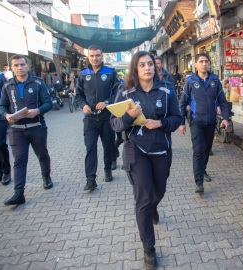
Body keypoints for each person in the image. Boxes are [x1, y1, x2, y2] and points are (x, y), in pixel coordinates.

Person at [110, 51, 182, 269]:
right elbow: (115, 125)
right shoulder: (125, 92)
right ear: (135, 68)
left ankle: (153, 207)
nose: (147, 68)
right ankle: (149, 248)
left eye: (150, 64)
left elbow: (178, 118)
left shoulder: (167, 90)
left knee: (158, 192)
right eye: (142, 65)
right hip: (136, 150)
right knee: (143, 197)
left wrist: (161, 124)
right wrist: (129, 117)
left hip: (161, 149)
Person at [0, 54, 53, 206]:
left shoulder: (38, 83)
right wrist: (7, 115)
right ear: (11, 68)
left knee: (42, 154)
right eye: (16, 65)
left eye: (22, 64)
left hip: (36, 127)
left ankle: (46, 176)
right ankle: (19, 193)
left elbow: (48, 103)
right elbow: (2, 105)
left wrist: (38, 111)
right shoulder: (8, 85)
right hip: (16, 130)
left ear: (27, 66)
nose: (19, 68)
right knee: (19, 161)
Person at [179, 52, 230, 193]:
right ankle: (199, 182)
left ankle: (203, 169)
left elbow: (222, 101)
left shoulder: (215, 80)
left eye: (206, 61)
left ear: (209, 63)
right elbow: (182, 103)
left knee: (207, 149)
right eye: (201, 61)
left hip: (211, 122)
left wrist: (225, 118)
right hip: (196, 121)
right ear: (195, 64)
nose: (204, 64)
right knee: (198, 150)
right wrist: (181, 122)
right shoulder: (190, 81)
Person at [76, 45, 122, 190]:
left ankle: (107, 170)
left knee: (108, 146)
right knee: (90, 148)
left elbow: (118, 93)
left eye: (97, 55)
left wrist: (107, 102)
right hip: (89, 119)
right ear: (88, 57)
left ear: (102, 56)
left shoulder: (110, 72)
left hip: (107, 118)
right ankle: (90, 178)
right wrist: (83, 105)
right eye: (92, 56)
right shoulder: (83, 74)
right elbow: (78, 95)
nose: (95, 58)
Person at [0, 71, 11, 186]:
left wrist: (9, 114)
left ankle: (6, 172)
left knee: (0, 144)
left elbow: (8, 96)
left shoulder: (0, 78)